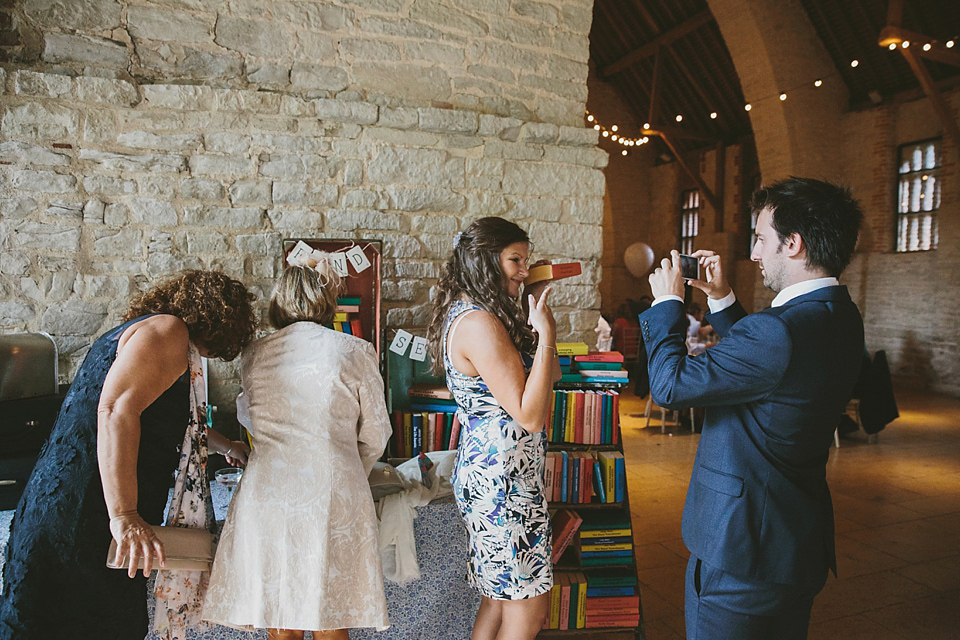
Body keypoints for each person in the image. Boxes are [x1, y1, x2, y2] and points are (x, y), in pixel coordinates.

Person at [639, 177, 865, 640]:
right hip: (793, 544)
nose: (756, 254)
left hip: (741, 553)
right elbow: (770, 368)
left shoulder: (778, 332)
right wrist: (720, 297)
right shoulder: (840, 314)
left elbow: (669, 385)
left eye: (761, 240)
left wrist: (667, 303)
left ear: (794, 244)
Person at [0, 270, 257, 640]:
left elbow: (173, 419)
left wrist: (226, 445)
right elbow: (116, 410)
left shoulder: (142, 329)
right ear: (220, 321)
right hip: (89, 510)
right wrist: (125, 515)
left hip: (65, 500)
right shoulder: (169, 332)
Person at [202, 253, 392, 640]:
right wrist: (344, 462)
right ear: (328, 303)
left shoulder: (254, 354)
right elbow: (377, 432)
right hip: (330, 490)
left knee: (281, 613)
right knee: (329, 613)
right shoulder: (354, 350)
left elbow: (248, 416)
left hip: (270, 491)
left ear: (278, 303)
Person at [426, 217, 562, 640]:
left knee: (500, 601)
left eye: (525, 258)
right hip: (503, 484)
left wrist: (540, 317)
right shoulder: (480, 324)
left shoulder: (485, 314)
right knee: (526, 612)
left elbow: (550, 376)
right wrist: (549, 336)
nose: (524, 269)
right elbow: (529, 414)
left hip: (502, 477)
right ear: (485, 261)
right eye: (514, 260)